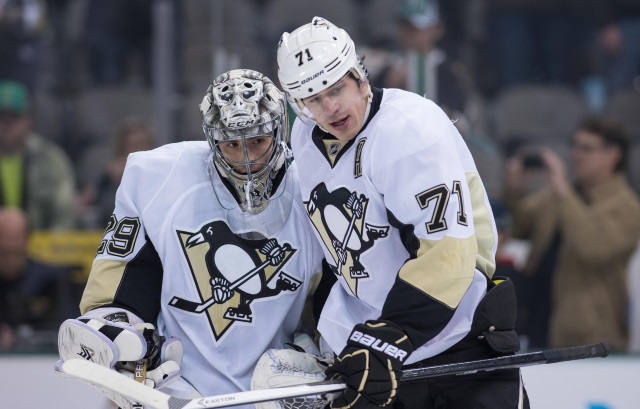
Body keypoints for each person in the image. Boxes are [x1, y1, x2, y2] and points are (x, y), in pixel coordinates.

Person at [274, 16, 528, 409]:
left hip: (454, 350)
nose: (331, 107)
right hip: (373, 357)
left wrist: (389, 335)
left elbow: (449, 254)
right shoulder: (305, 139)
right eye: (313, 99)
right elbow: (335, 253)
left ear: (359, 74)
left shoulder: (409, 130)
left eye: (337, 88)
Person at [55, 69, 325, 409]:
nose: (246, 159)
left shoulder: (314, 187)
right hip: (181, 393)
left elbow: (332, 307)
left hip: (275, 393)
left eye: (257, 140)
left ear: (278, 130)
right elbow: (119, 293)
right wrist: (122, 342)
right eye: (231, 144)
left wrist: (324, 359)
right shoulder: (160, 181)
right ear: (212, 140)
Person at [503, 116, 640, 352]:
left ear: (613, 155)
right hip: (540, 323)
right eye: (575, 145)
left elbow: (594, 248)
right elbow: (522, 225)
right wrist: (516, 191)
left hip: (592, 337)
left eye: (587, 148)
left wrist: (562, 192)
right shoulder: (561, 195)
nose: (577, 154)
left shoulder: (627, 208)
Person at [0, 80, 76, 230]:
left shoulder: (52, 160)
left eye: (13, 118)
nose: (6, 124)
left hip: (42, 249)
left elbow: (64, 216)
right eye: (1, 117)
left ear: (28, 120)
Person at [0, 207, 74, 349]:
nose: (11, 260)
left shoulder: (50, 280)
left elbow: (68, 331)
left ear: (27, 242)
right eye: (3, 253)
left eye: (17, 252)